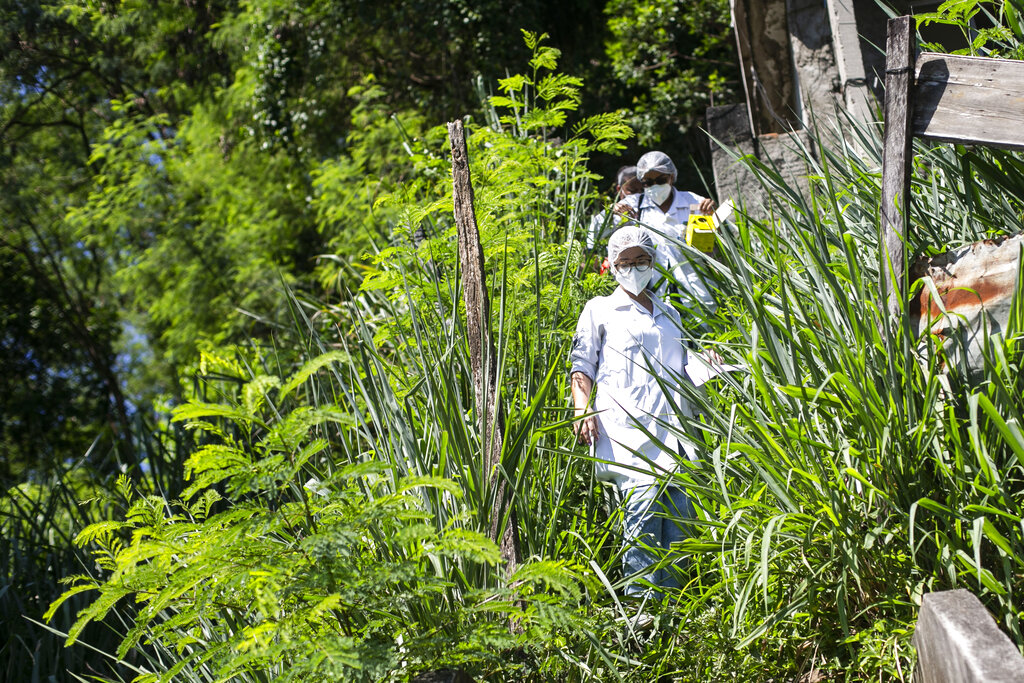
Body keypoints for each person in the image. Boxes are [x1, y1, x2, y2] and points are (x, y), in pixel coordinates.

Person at [569, 225, 697, 598]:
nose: (635, 268)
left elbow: (682, 366)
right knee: (641, 530)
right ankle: (641, 624)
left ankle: (674, 625)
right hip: (628, 437)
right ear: (611, 264)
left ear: (654, 262)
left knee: (679, 533)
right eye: (626, 262)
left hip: (676, 437)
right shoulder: (600, 309)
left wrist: (708, 363)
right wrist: (582, 409)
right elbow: (582, 365)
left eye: (642, 260)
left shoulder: (670, 313)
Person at [615, 151, 717, 313]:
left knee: (703, 329)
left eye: (661, 180)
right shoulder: (634, 205)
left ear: (671, 177)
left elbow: (717, 241)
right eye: (648, 182)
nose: (655, 186)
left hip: (697, 287)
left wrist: (714, 214)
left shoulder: (694, 202)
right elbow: (599, 231)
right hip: (655, 289)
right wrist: (613, 212)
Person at [587, 165, 644, 254]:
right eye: (632, 191)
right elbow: (592, 239)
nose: (638, 195)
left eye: (642, 190)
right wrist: (609, 214)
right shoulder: (611, 214)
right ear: (619, 189)